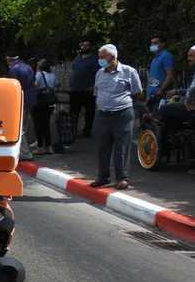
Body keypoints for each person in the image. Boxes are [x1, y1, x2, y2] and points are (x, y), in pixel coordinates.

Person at [91, 44, 142, 190]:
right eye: (99, 57)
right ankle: (103, 177)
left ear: (112, 57)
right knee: (102, 146)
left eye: (102, 57)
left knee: (122, 146)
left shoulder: (129, 71)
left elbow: (138, 92)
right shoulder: (99, 73)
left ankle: (122, 178)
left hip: (122, 113)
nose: (99, 60)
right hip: (102, 113)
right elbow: (97, 92)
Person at [158, 45, 195, 141]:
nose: (189, 59)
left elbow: (192, 92)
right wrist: (178, 92)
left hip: (191, 109)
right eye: (188, 56)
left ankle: (168, 143)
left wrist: (185, 101)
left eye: (191, 56)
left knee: (163, 109)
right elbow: (190, 90)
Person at [6, 53, 35, 160]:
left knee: (19, 128)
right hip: (31, 99)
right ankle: (23, 150)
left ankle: (25, 154)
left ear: (9, 60)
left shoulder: (13, 70)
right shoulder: (28, 67)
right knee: (25, 126)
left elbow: (14, 88)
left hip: (21, 100)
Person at [69, 40, 98, 137]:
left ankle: (87, 131)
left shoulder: (94, 59)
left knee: (89, 113)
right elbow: (72, 71)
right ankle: (72, 131)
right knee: (73, 112)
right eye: (82, 45)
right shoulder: (77, 58)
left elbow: (99, 74)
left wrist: (94, 86)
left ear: (90, 47)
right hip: (75, 90)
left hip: (88, 90)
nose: (83, 47)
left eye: (86, 45)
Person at [32, 59, 57, 154]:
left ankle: (39, 147)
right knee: (46, 125)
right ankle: (49, 147)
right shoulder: (53, 75)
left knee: (39, 125)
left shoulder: (39, 74)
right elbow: (57, 84)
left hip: (40, 102)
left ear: (40, 66)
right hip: (50, 103)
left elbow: (35, 85)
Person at [147, 36, 175, 105]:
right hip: (152, 96)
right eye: (152, 43)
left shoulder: (166, 56)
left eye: (155, 43)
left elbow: (170, 75)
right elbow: (151, 78)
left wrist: (161, 90)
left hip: (161, 96)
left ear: (163, 44)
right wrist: (148, 96)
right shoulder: (154, 60)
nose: (153, 45)